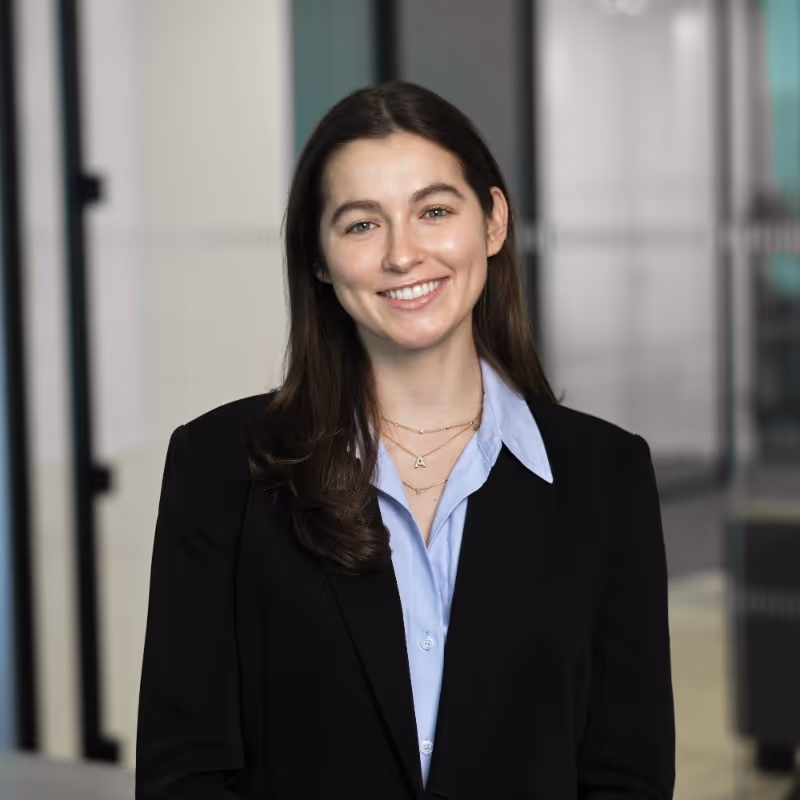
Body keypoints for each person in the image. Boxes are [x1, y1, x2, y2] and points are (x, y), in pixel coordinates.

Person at [135, 81, 675, 800]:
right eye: (362, 224)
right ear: (320, 259)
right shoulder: (220, 467)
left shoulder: (607, 475)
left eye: (435, 211)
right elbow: (185, 771)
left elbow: (626, 773)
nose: (402, 254)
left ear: (492, 221)